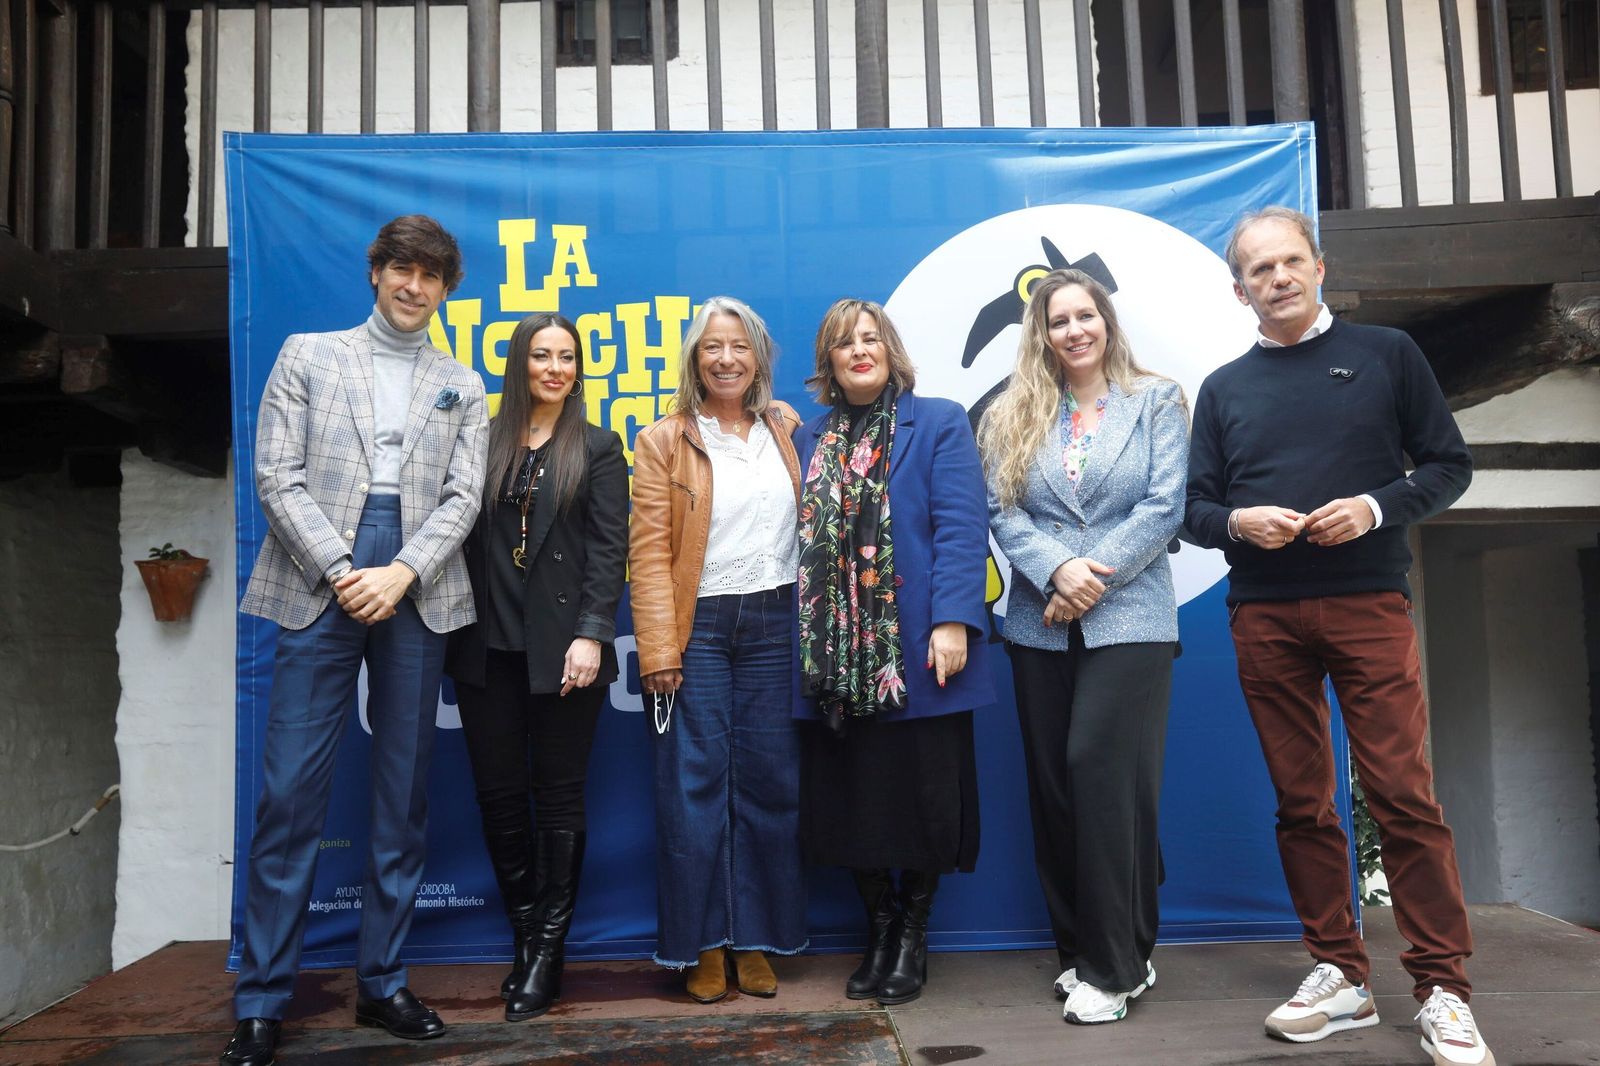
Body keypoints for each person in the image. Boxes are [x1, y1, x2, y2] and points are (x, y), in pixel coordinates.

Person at [1186, 206, 1489, 1066]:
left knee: (1403, 794)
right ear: (1238, 289)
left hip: (1366, 603)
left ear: (1318, 267)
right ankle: (1340, 974)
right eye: (1258, 269)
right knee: (1302, 802)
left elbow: (1447, 466)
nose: (1276, 278)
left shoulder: (1390, 353)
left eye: (1290, 262)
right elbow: (1195, 508)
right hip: (1265, 616)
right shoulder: (1224, 387)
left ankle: (1442, 989)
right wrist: (1241, 522)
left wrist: (1374, 505)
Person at [225, 215, 488, 1066]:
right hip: (318, 577)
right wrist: (347, 568)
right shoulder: (308, 354)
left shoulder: (464, 383)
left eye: (432, 277)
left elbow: (463, 496)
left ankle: (383, 984)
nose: (415, 287)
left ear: (447, 289)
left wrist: (401, 571)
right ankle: (262, 1000)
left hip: (417, 582)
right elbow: (275, 473)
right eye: (402, 271)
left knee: (402, 793)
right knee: (290, 797)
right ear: (375, 273)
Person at [978, 268, 1188, 1026]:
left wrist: (1089, 579)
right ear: (1041, 333)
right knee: (1057, 793)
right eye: (1058, 320)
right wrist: (1055, 570)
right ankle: (1086, 952)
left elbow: (1166, 504)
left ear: (1106, 322)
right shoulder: (1009, 413)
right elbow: (1001, 511)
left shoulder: (1157, 400)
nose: (1074, 330)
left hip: (1131, 618)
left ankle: (1114, 966)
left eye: (1085, 315)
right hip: (1039, 622)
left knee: (1100, 773)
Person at [794, 298, 994, 1006]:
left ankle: (912, 930)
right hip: (833, 659)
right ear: (829, 360)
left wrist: (953, 621)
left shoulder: (936, 421)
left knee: (924, 795)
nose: (859, 351)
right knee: (854, 799)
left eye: (870, 339)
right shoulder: (805, 437)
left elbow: (962, 527)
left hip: (915, 646)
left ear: (891, 349)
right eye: (844, 342)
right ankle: (878, 923)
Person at [444, 313, 627, 1022]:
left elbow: (610, 552)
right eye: (542, 355)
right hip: (484, 645)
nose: (556, 367)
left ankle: (549, 952)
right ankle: (525, 934)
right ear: (520, 363)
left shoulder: (599, 447)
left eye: (568, 357)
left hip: (566, 650)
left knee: (558, 797)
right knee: (497, 797)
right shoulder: (480, 441)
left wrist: (592, 634)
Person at [628, 296, 807, 1003]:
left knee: (771, 785)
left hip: (777, 623)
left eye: (739, 345)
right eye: (712, 347)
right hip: (697, 628)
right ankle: (702, 945)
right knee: (692, 788)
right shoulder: (663, 439)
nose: (726, 358)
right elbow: (646, 555)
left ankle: (756, 939)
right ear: (693, 361)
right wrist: (658, 648)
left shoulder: (786, 428)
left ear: (758, 355)